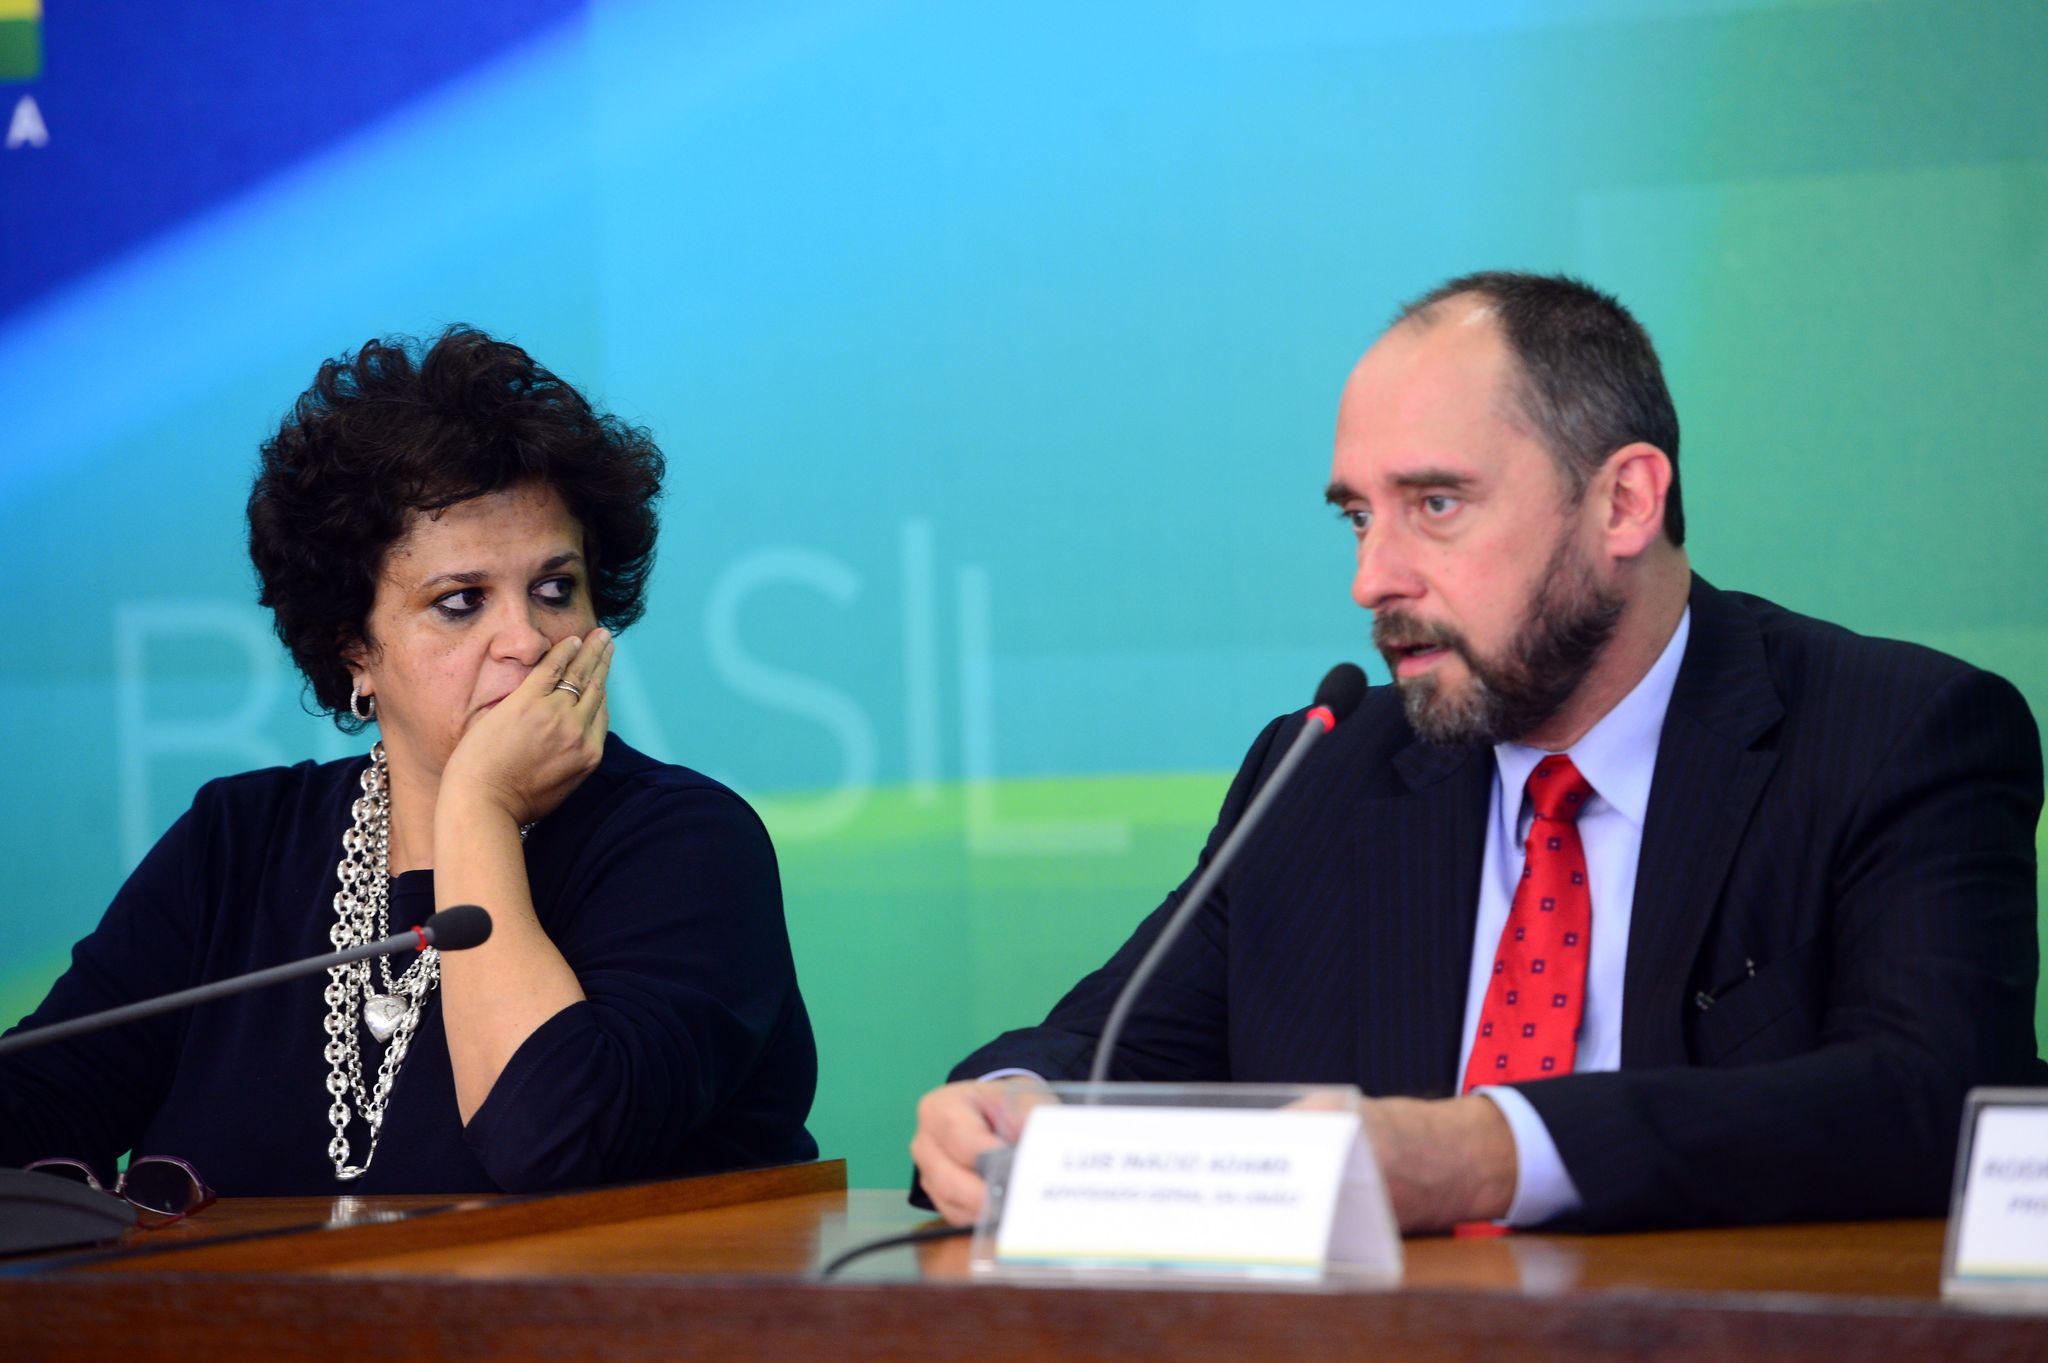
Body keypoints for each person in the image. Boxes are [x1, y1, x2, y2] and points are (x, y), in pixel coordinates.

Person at [911, 272, 2043, 1233]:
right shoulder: (1324, 770)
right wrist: (1008, 1105)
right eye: (1358, 516)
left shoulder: (1894, 731)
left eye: (1435, 504)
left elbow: (1933, 1098)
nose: (1372, 580)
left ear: (1622, 502)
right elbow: (1107, 1046)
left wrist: (1481, 1150)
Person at [1, 327, 818, 1195]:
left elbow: (552, 1143)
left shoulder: (686, 845)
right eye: (461, 603)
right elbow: (36, 1104)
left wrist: (476, 805)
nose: (529, 641)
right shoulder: (237, 845)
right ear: (353, 645)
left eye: (555, 588)